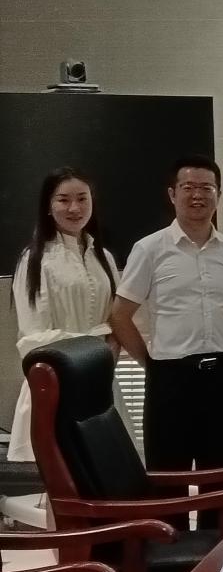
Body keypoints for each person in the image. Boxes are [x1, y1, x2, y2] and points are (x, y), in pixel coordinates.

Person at [110, 155, 223, 481]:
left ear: (219, 194)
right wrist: (151, 364)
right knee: (168, 477)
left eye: (207, 188)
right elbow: (120, 315)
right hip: (171, 378)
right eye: (188, 187)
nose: (198, 195)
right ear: (172, 194)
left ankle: (219, 519)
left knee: (221, 477)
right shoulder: (149, 249)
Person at [9, 168, 137, 462]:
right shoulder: (35, 259)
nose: (74, 208)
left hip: (101, 378)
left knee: (108, 469)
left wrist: (110, 350)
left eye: (82, 198)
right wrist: (91, 351)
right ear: (48, 206)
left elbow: (116, 317)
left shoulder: (103, 257)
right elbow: (34, 337)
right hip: (57, 380)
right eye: (63, 200)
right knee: (65, 472)